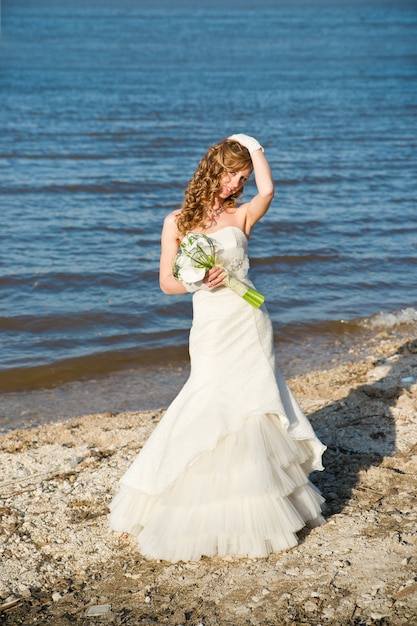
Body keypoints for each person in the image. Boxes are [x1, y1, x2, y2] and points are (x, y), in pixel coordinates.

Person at [109, 134, 326, 562]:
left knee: (253, 402)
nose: (233, 184)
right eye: (229, 174)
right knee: (208, 397)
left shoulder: (242, 215)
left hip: (249, 322)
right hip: (210, 326)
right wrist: (195, 279)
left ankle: (257, 505)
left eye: (240, 177)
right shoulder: (177, 222)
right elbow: (167, 283)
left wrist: (253, 145)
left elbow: (270, 190)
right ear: (212, 169)